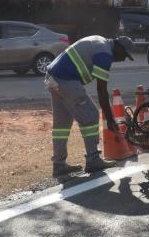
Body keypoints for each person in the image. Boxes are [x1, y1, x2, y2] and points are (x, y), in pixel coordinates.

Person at [44, 35, 135, 178]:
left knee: (62, 125)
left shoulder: (99, 42)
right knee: (91, 115)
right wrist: (110, 119)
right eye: (124, 54)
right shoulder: (104, 54)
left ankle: (59, 165)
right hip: (66, 81)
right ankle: (93, 160)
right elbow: (101, 90)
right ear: (118, 46)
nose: (123, 58)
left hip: (52, 78)